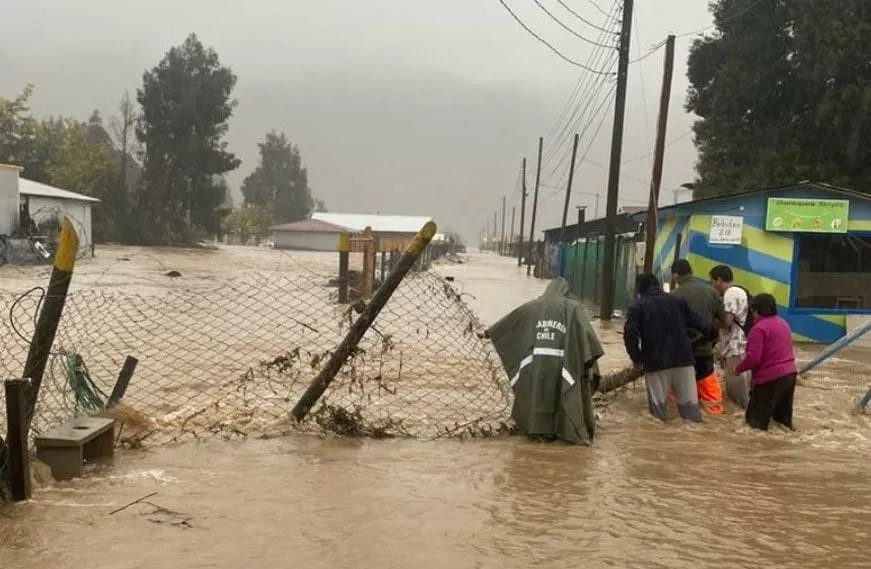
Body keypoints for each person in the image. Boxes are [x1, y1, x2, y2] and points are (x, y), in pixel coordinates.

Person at [478, 277, 604, 445]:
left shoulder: (532, 306)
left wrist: (488, 333)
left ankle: (539, 432)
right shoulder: (573, 308)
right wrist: (589, 366)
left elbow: (510, 322)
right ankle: (572, 433)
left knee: (539, 396)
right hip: (564, 365)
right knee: (567, 395)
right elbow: (587, 340)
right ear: (565, 292)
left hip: (536, 364)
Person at [624, 273, 717, 423]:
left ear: (639, 289)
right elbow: (705, 326)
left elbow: (630, 335)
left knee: (657, 416)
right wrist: (700, 343)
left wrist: (637, 358)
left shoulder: (637, 307)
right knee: (691, 414)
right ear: (658, 285)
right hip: (684, 361)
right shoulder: (677, 301)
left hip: (656, 364)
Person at [732, 293, 797, 431]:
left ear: (755, 310)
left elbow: (753, 358)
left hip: (770, 379)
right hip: (790, 375)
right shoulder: (783, 323)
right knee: (782, 423)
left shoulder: (758, 329)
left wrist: (738, 369)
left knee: (754, 424)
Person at [670, 258, 726, 414]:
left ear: (675, 275)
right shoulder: (712, 292)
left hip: (680, 354)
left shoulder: (673, 296)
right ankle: (715, 415)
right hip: (704, 352)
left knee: (675, 400)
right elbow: (723, 321)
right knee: (711, 397)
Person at [709, 264, 752, 408]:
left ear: (719, 280)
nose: (712, 285)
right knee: (743, 386)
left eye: (712, 281)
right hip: (741, 344)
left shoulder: (730, 293)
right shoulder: (739, 290)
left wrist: (709, 321)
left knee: (737, 393)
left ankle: (742, 414)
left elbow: (727, 322)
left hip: (735, 345)